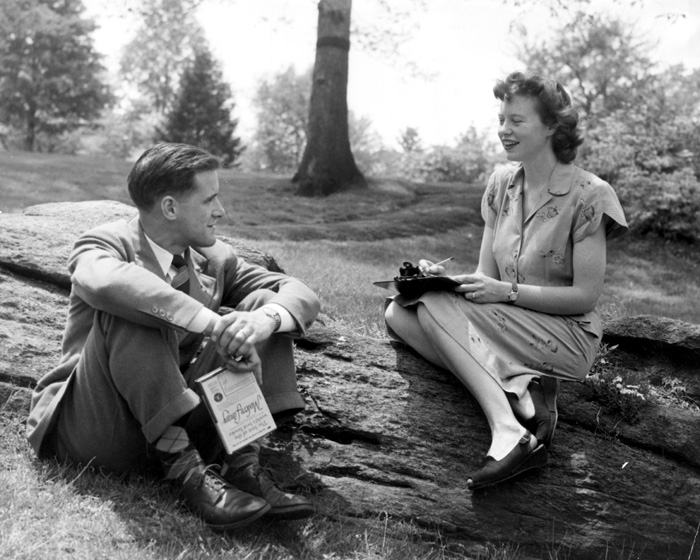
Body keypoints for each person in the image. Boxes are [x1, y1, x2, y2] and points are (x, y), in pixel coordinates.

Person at [26, 142, 321, 529]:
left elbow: (298, 291)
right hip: (99, 427)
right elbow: (104, 282)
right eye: (210, 199)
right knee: (136, 303)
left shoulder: (215, 258)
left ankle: (242, 466)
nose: (221, 211)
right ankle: (188, 474)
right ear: (169, 207)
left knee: (265, 302)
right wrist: (212, 323)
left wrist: (262, 321)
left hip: (179, 419)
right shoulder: (104, 243)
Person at [384, 72, 627, 490]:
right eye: (501, 119)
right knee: (398, 312)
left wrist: (506, 293)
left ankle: (510, 432)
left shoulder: (590, 194)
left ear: (552, 125)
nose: (503, 130)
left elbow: (585, 296)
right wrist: (444, 280)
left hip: (567, 334)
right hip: (508, 321)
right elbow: (486, 278)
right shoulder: (501, 184)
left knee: (431, 310)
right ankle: (522, 396)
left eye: (517, 121)